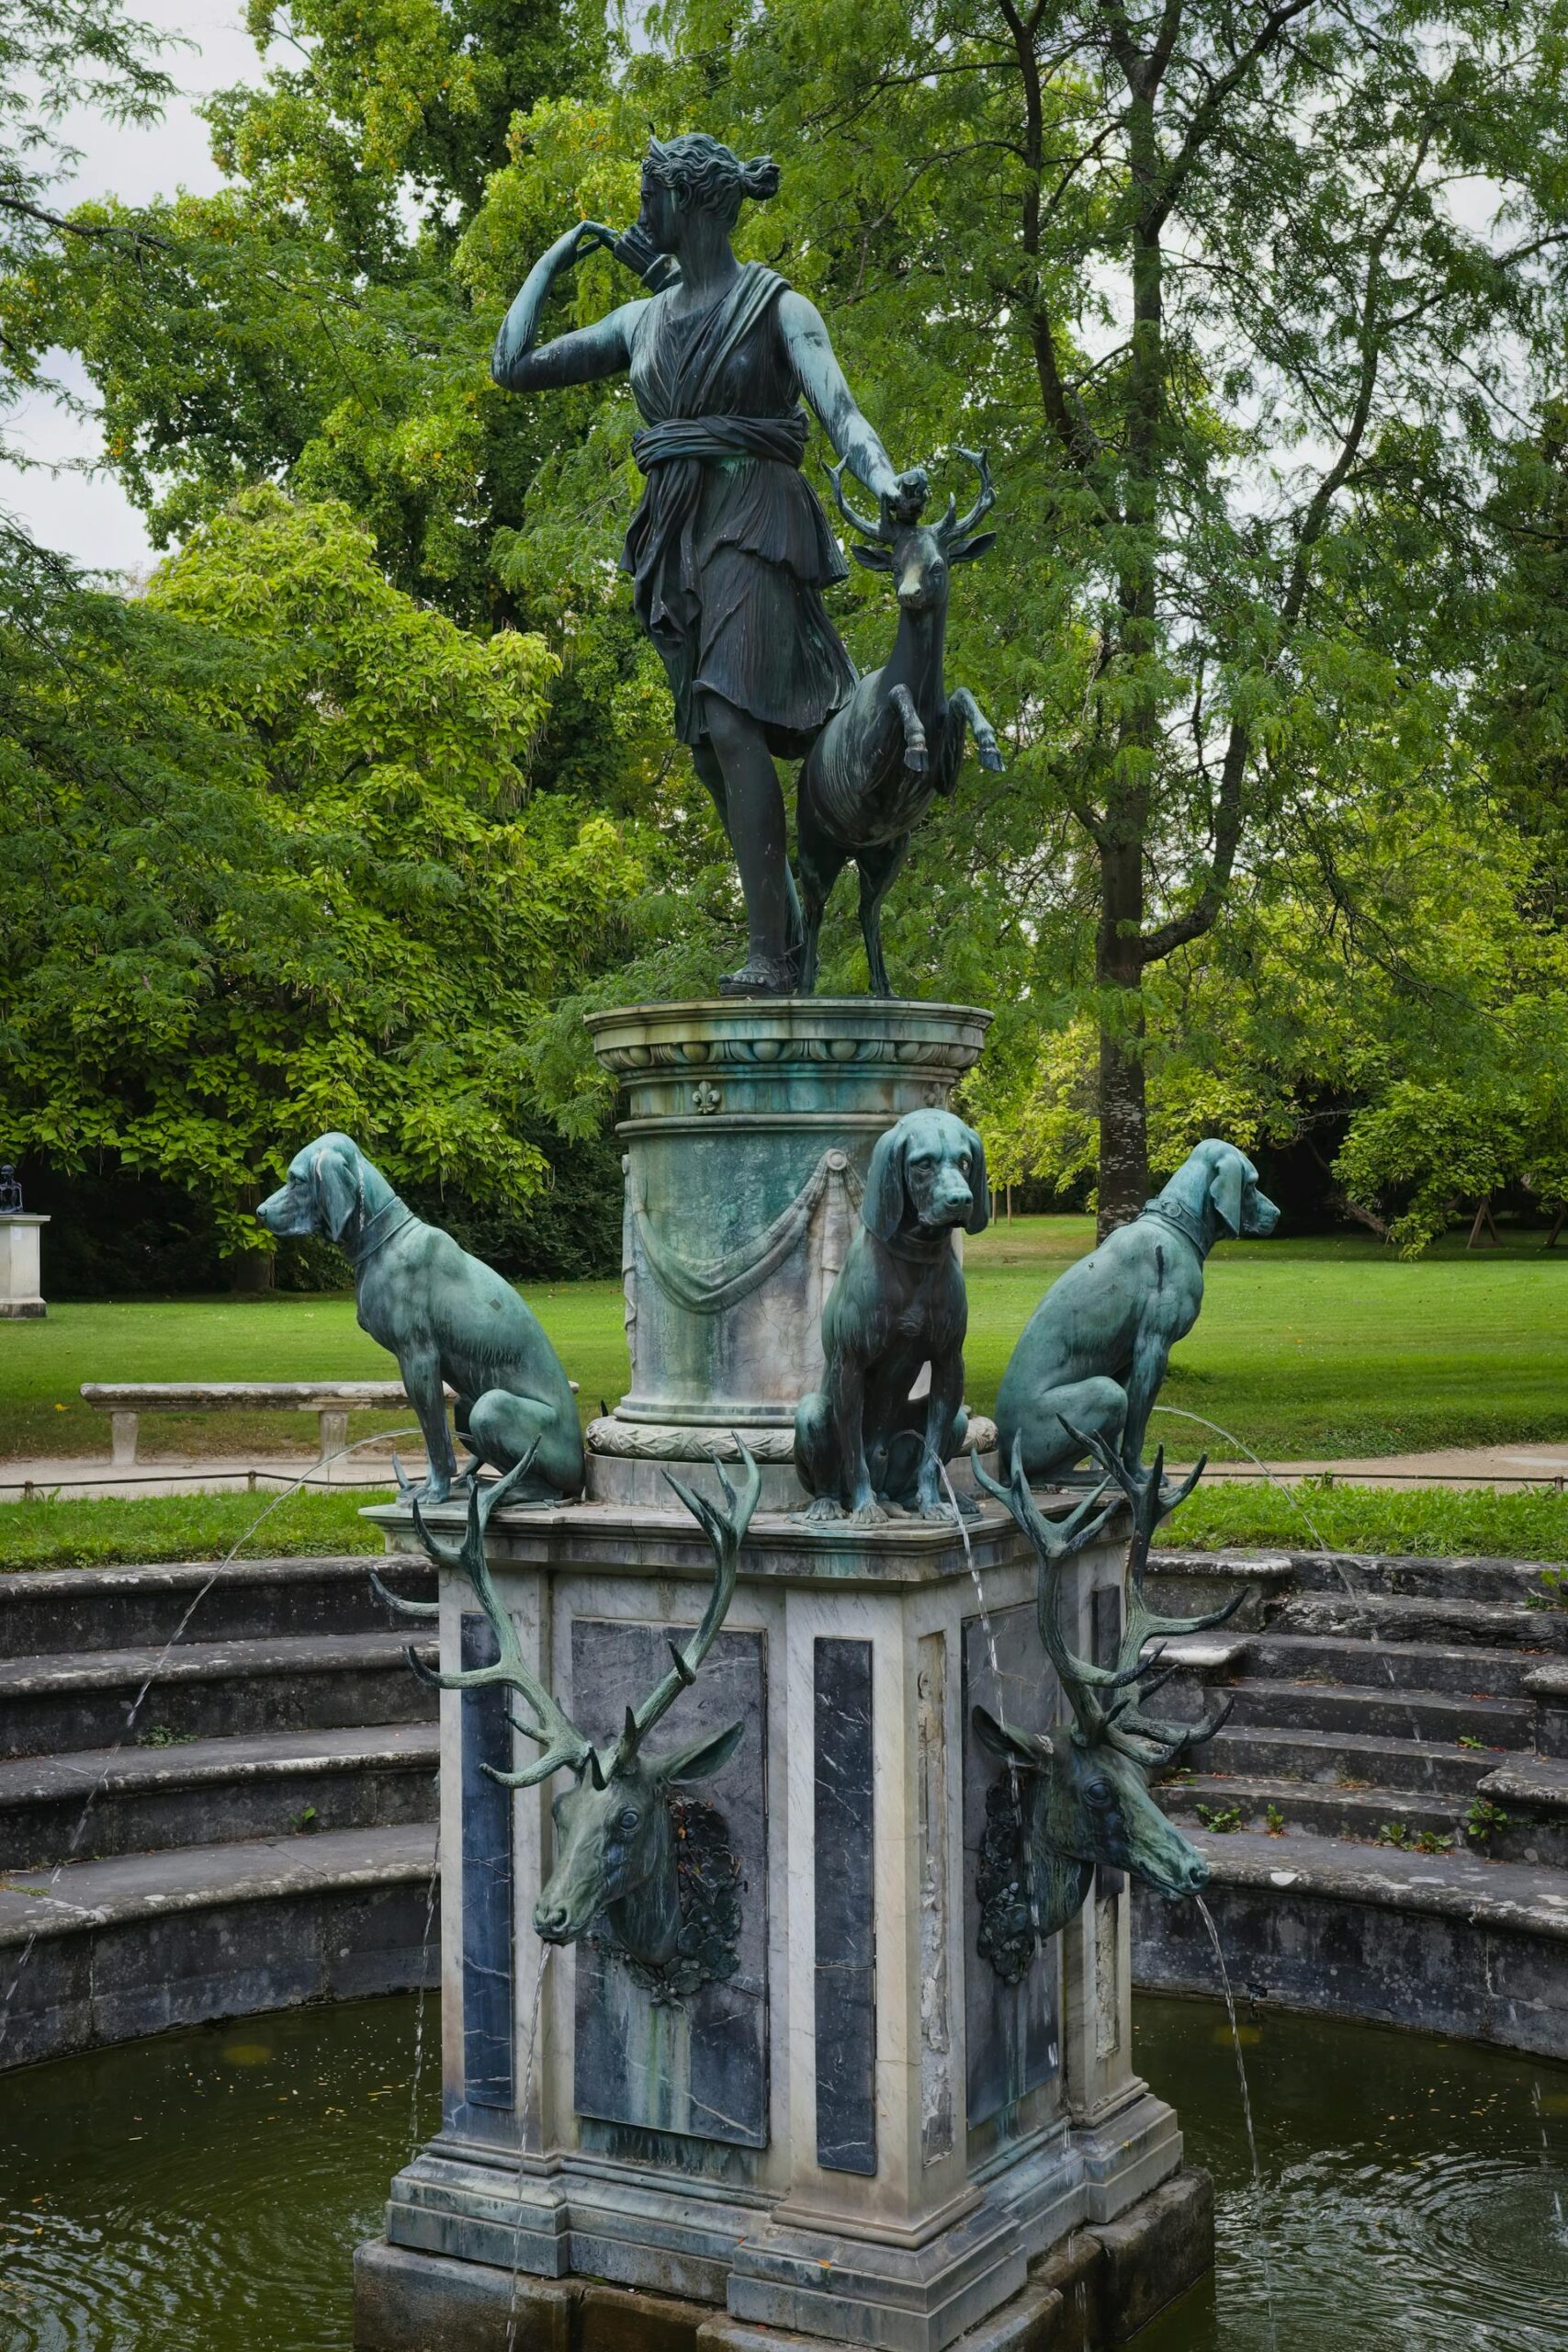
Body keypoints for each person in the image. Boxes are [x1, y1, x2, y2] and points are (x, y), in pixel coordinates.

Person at [492, 131, 925, 996]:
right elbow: (513, 366)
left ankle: (769, 957)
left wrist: (884, 481)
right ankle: (791, 934)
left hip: (754, 520)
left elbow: (839, 409)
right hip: (673, 537)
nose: (637, 215)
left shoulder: (778, 307)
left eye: (648, 197)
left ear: (684, 205)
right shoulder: (642, 319)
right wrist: (553, 257)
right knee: (706, 747)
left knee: (730, 721)